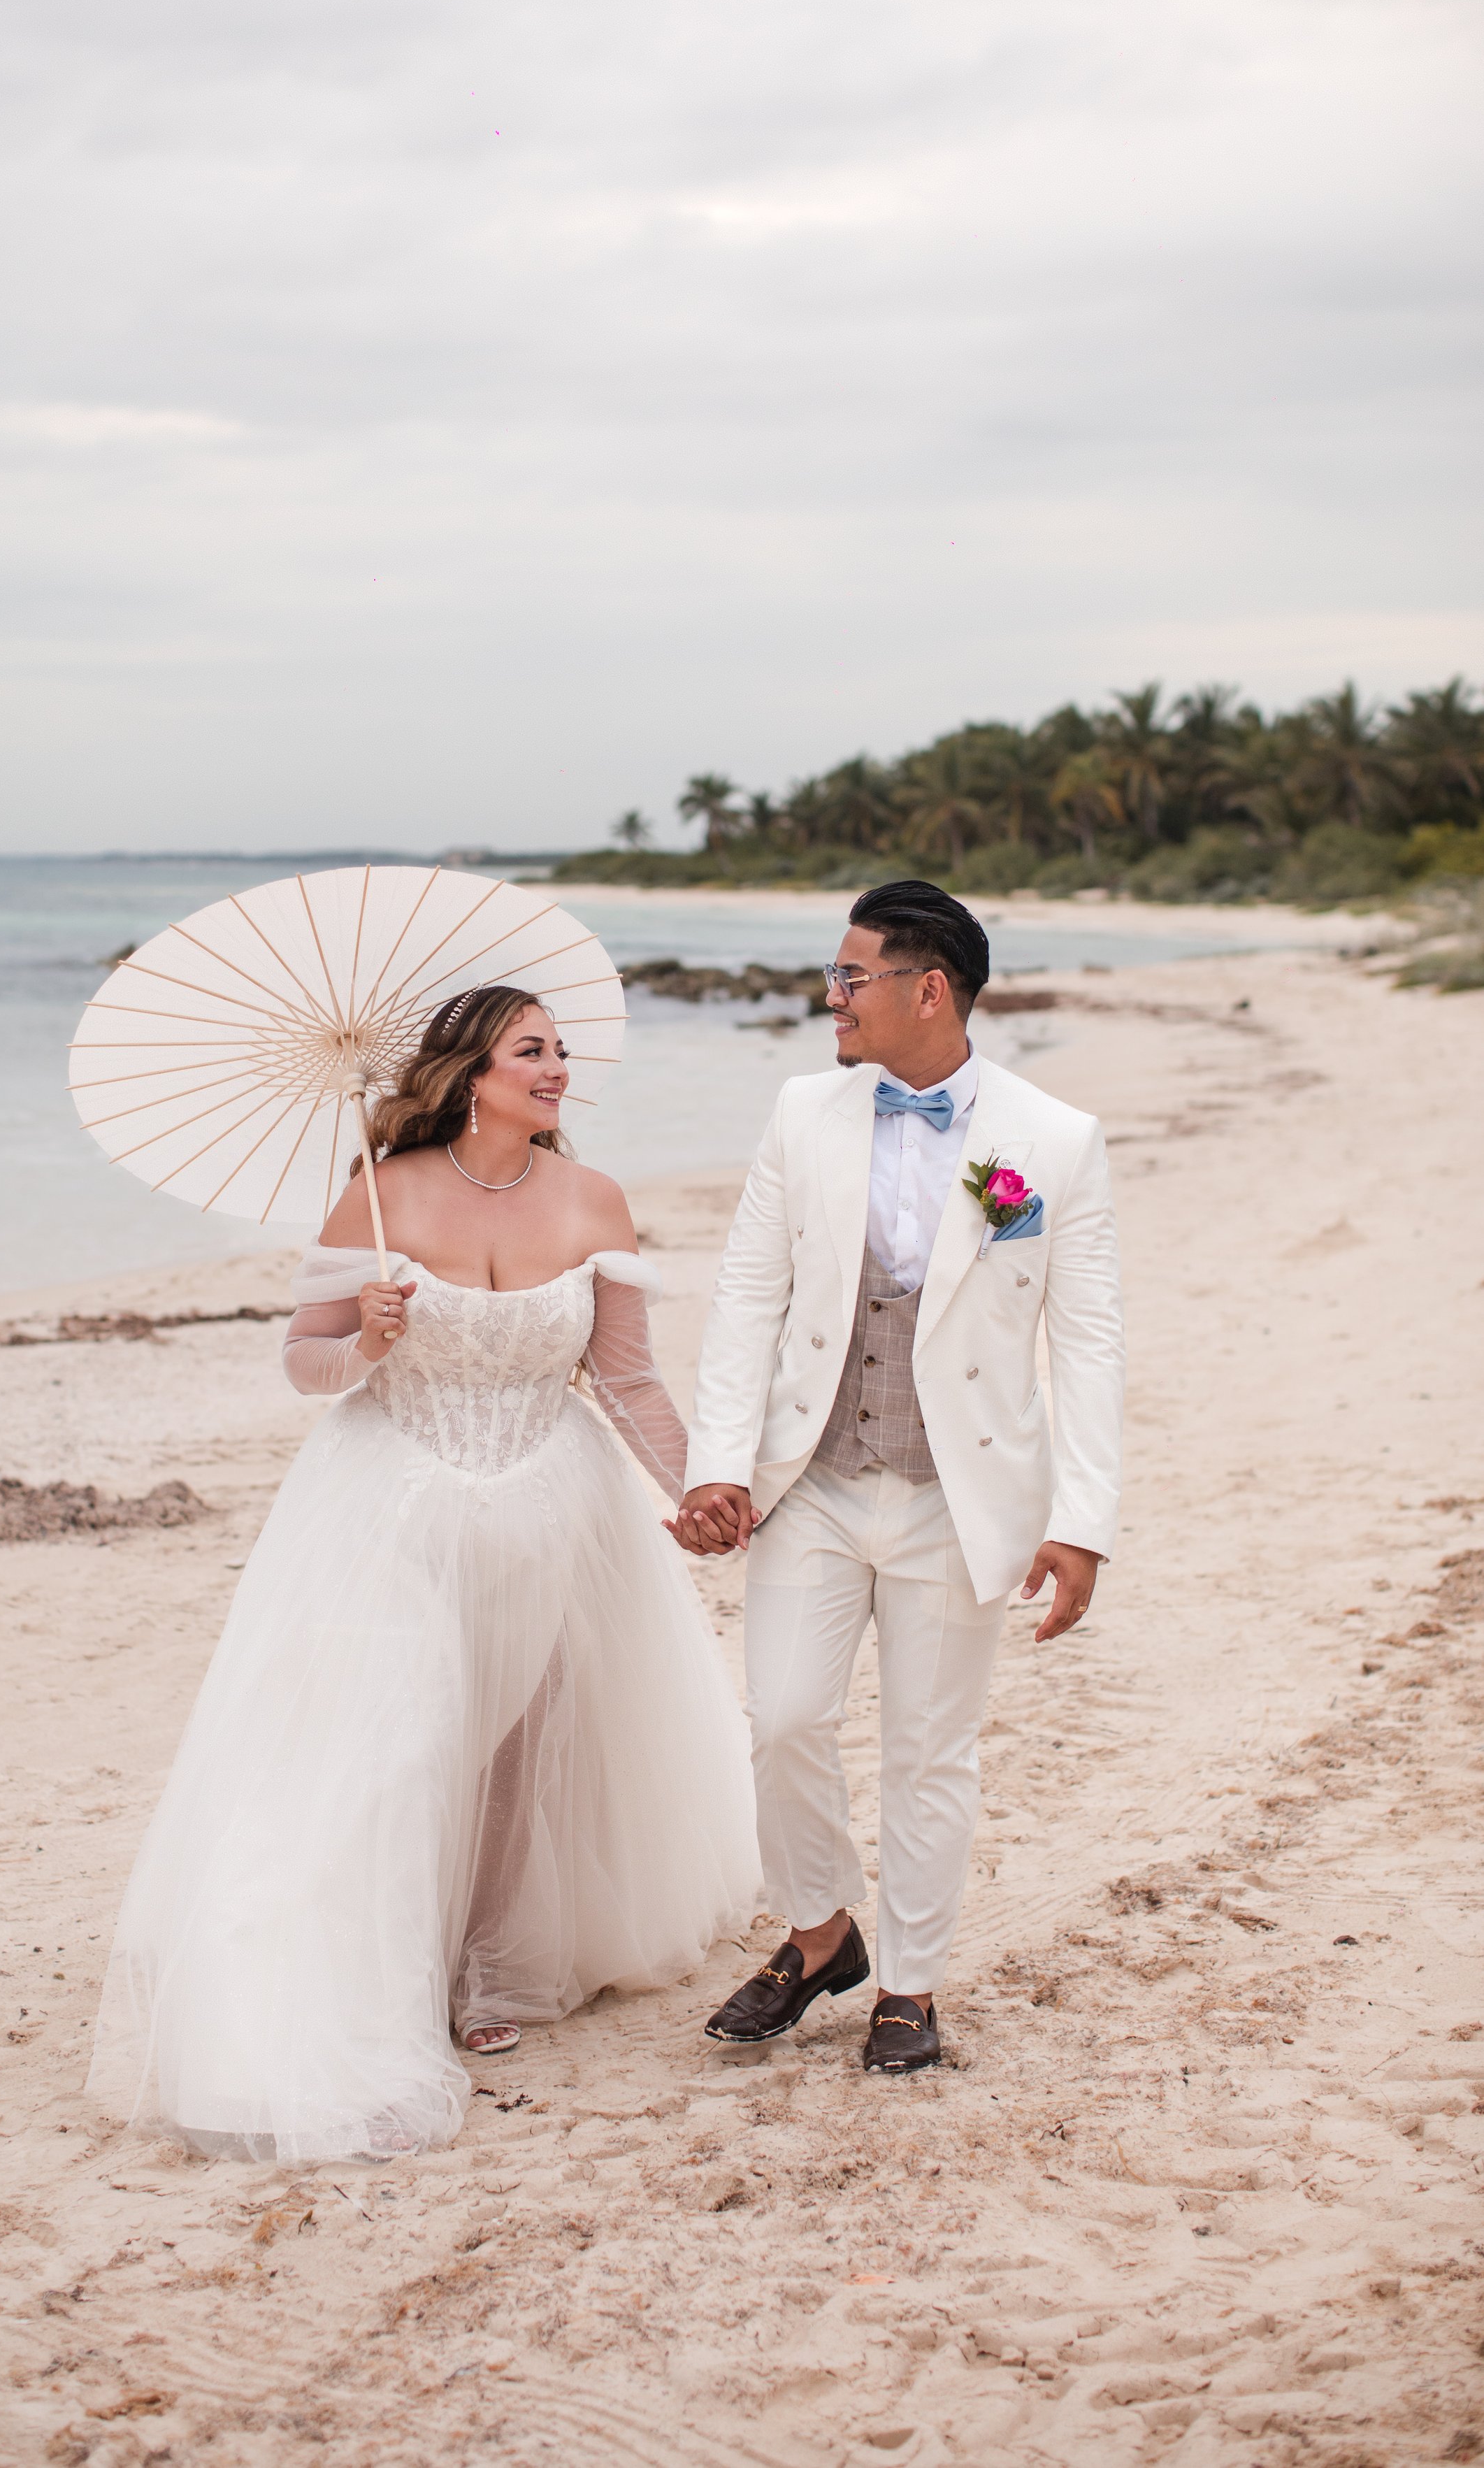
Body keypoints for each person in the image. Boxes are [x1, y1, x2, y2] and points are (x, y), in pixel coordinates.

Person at [88, 984, 760, 2163]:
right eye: (531, 1050)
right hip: (391, 1499)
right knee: (403, 1732)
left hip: (554, 1499)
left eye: (560, 1050)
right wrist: (371, 1341)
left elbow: (628, 1381)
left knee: (523, 1733)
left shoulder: (595, 1200)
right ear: (471, 1071)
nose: (557, 1068)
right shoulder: (380, 1194)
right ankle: (383, 1973)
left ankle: (489, 1964)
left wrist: (696, 1485)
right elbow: (306, 1364)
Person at [674, 881, 1123, 2074]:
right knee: (785, 1719)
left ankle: (911, 1985)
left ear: (930, 989)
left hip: (960, 1497)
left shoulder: (1055, 1140)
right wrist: (719, 1462)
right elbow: (745, 1299)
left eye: (850, 976)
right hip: (812, 1480)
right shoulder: (801, 1112)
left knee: (931, 1752)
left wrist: (1082, 1522)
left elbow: (1086, 1343)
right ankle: (822, 1930)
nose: (832, 996)